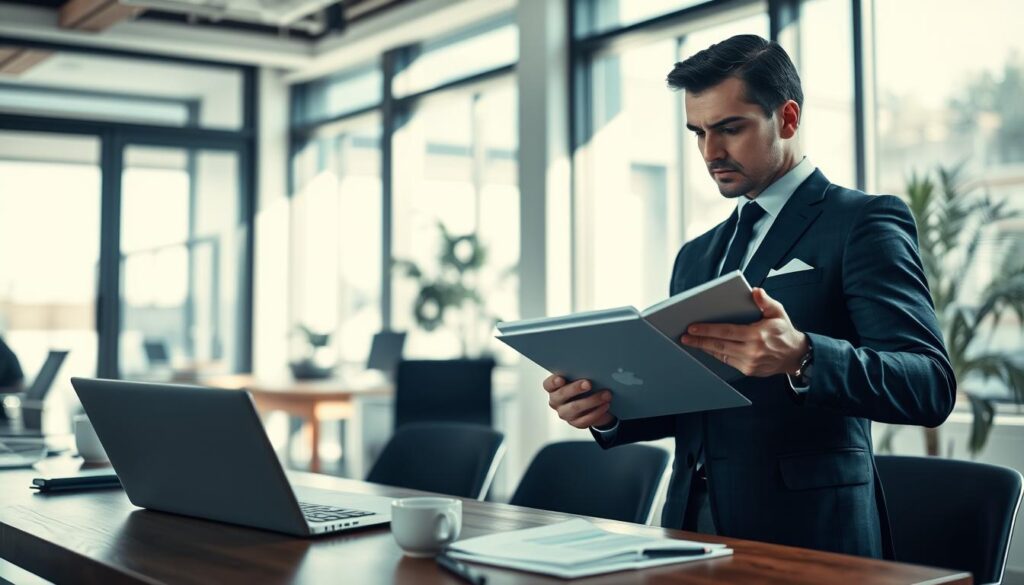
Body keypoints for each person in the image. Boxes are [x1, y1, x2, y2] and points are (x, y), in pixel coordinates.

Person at [541, 34, 954, 559]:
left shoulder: (863, 223)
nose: (710, 152)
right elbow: (695, 406)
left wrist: (804, 355)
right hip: (690, 527)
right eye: (698, 133)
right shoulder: (696, 255)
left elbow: (929, 385)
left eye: (730, 129)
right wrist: (606, 409)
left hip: (812, 535)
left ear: (787, 118)